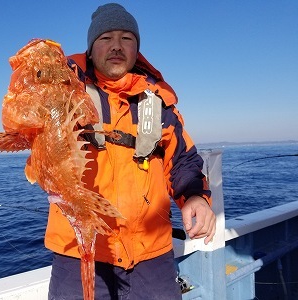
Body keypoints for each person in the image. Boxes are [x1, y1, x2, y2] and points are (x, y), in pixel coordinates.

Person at [46, 3, 216, 299]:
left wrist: (196, 197)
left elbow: (183, 160)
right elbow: (22, 115)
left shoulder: (158, 103)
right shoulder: (63, 92)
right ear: (90, 48)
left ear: (137, 48)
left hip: (152, 253)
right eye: (105, 38)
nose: (116, 46)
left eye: (126, 38)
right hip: (80, 249)